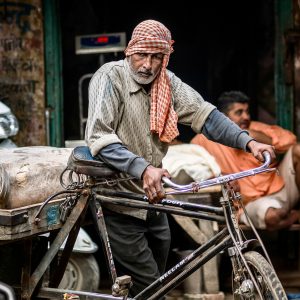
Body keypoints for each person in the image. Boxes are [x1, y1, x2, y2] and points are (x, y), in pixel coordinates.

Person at [85, 21, 275, 297]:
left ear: (165, 57)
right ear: (129, 52)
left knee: (158, 281)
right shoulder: (110, 77)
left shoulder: (168, 82)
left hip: (154, 199)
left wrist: (249, 142)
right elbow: (99, 138)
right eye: (142, 55)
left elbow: (206, 116)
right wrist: (143, 168)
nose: (147, 65)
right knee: (151, 285)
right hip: (117, 200)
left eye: (156, 57)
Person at [191, 90, 300, 231]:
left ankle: (290, 211)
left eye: (247, 112)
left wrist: (253, 137)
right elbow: (188, 161)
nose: (246, 116)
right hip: (249, 203)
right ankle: (295, 215)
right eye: (239, 112)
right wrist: (218, 177)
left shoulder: (254, 127)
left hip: (280, 188)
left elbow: (290, 140)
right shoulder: (204, 140)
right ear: (223, 117)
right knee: (273, 218)